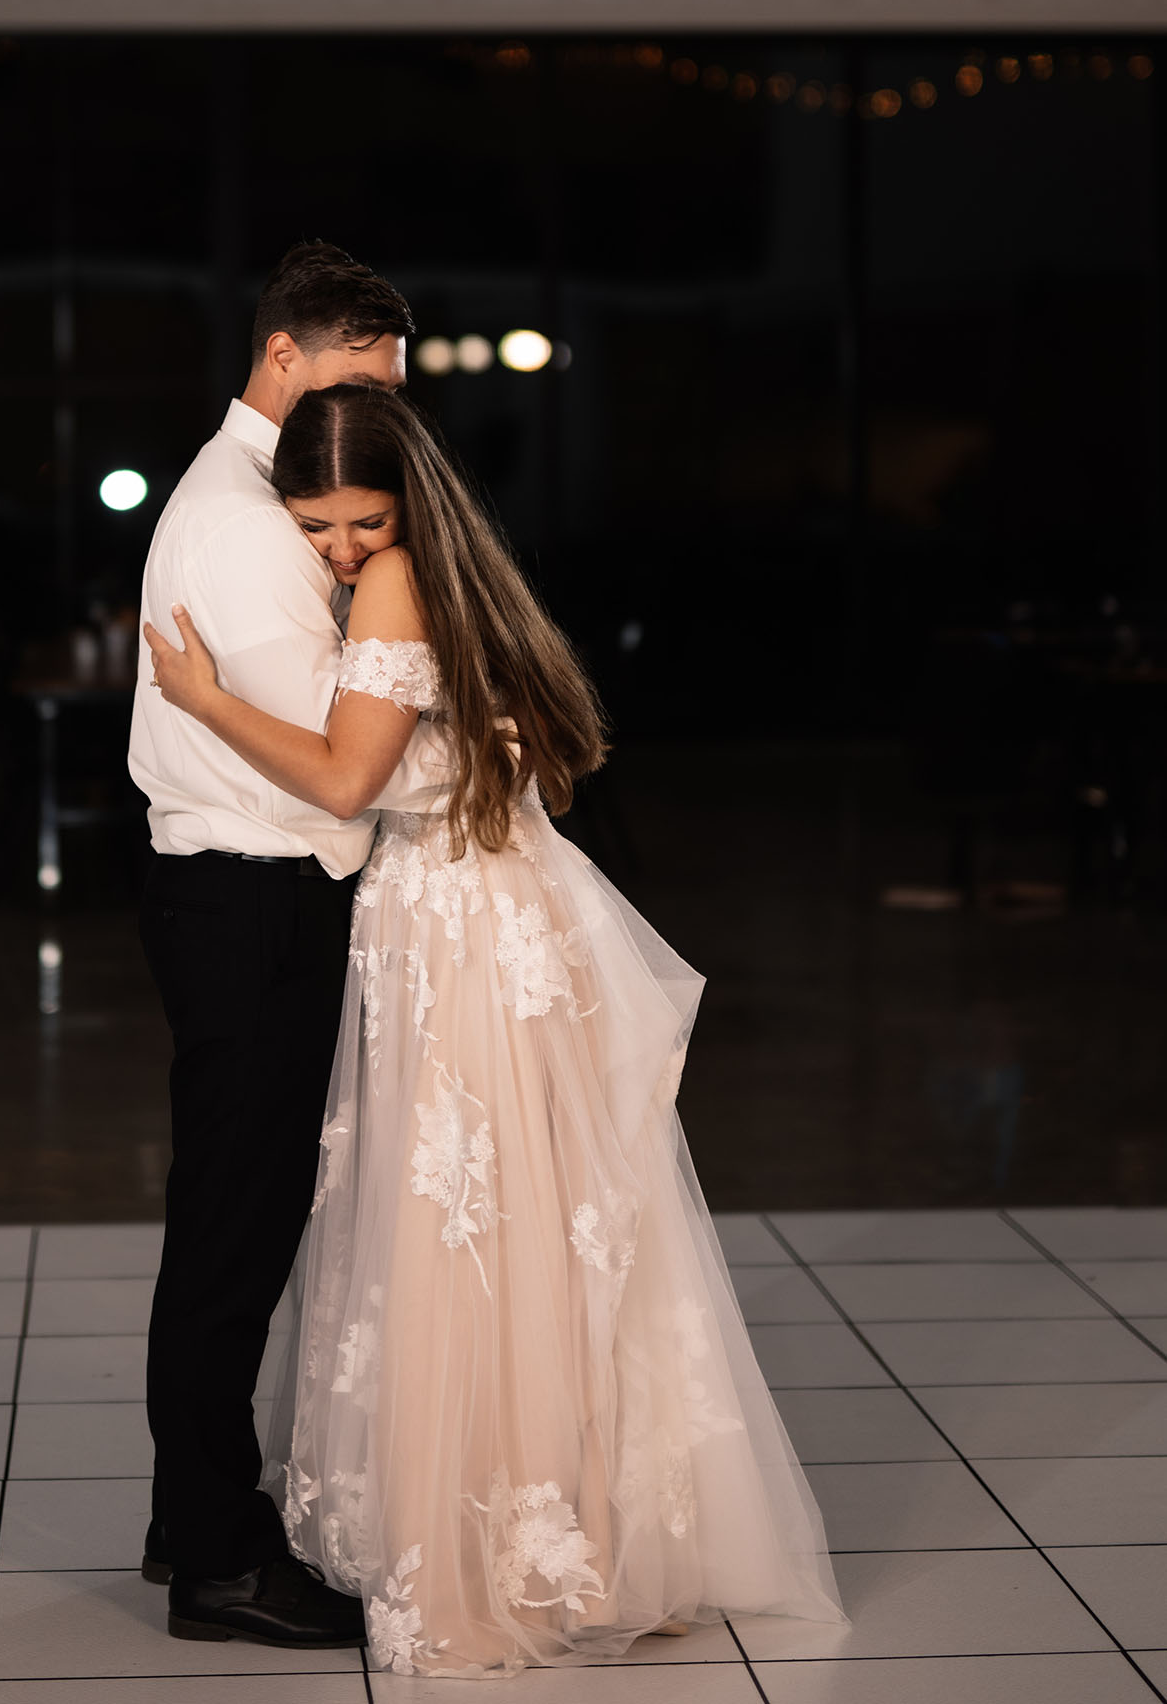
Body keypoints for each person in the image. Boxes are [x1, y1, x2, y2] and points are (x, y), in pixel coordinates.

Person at [143, 381, 846, 1676]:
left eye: (361, 518)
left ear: (405, 499)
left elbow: (352, 778)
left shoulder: (401, 583)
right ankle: (566, 1516)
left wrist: (200, 697)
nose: (344, 546)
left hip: (461, 930)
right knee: (523, 1224)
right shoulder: (448, 574)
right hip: (478, 914)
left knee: (472, 1229)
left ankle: (513, 1533)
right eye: (319, 524)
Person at [127, 243, 453, 1650]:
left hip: (255, 895)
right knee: (230, 1232)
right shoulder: (240, 523)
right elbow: (339, 762)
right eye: (362, 379)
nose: (380, 410)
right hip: (249, 901)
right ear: (285, 358)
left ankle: (186, 1520)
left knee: (241, 1217)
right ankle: (214, 1561)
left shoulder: (270, 499)